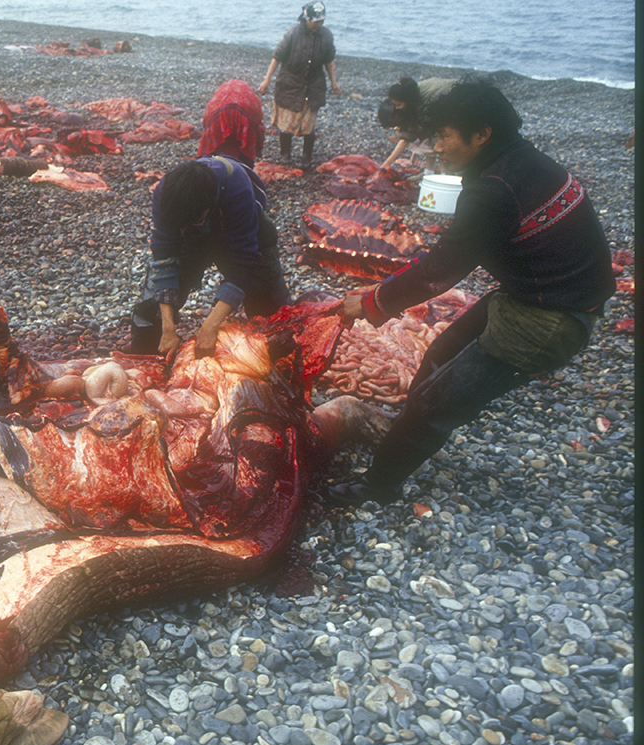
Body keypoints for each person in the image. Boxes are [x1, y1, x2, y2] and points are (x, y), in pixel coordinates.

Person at [331, 79, 615, 506]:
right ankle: (403, 429)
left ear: (482, 134)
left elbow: (442, 269)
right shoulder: (523, 159)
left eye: (445, 136)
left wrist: (373, 301)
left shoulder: (492, 189)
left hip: (551, 318)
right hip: (535, 293)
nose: (437, 147)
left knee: (435, 405)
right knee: (439, 354)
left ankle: (378, 485)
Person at [127, 156, 291, 357]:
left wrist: (211, 325)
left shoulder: (236, 187)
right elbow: (164, 254)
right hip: (191, 238)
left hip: (244, 231)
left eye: (198, 219)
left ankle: (277, 368)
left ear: (209, 205)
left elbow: (244, 263)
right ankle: (147, 364)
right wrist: (168, 328)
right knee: (150, 307)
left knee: (272, 311)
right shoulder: (166, 194)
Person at [257, 1, 340, 169]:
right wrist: (266, 79)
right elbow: (277, 57)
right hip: (290, 83)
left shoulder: (326, 36)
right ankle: (285, 155)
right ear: (306, 18)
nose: (319, 25)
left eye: (321, 21)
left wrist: (334, 82)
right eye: (315, 21)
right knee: (285, 124)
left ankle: (306, 158)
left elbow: (329, 60)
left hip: (313, 85)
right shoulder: (293, 34)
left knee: (309, 124)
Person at [377, 76, 457, 172]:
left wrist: (386, 164)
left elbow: (411, 135)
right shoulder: (410, 92)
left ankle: (446, 176)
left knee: (438, 141)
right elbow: (410, 133)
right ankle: (429, 173)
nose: (397, 108)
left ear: (407, 101)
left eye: (399, 105)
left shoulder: (425, 104)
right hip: (447, 95)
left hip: (456, 99)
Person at [197, 79, 265, 166]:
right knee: (244, 162)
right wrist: (259, 148)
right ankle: (244, 169)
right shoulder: (251, 103)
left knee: (211, 162)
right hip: (243, 116)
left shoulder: (215, 105)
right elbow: (258, 125)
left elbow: (206, 123)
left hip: (220, 117)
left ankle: (211, 167)